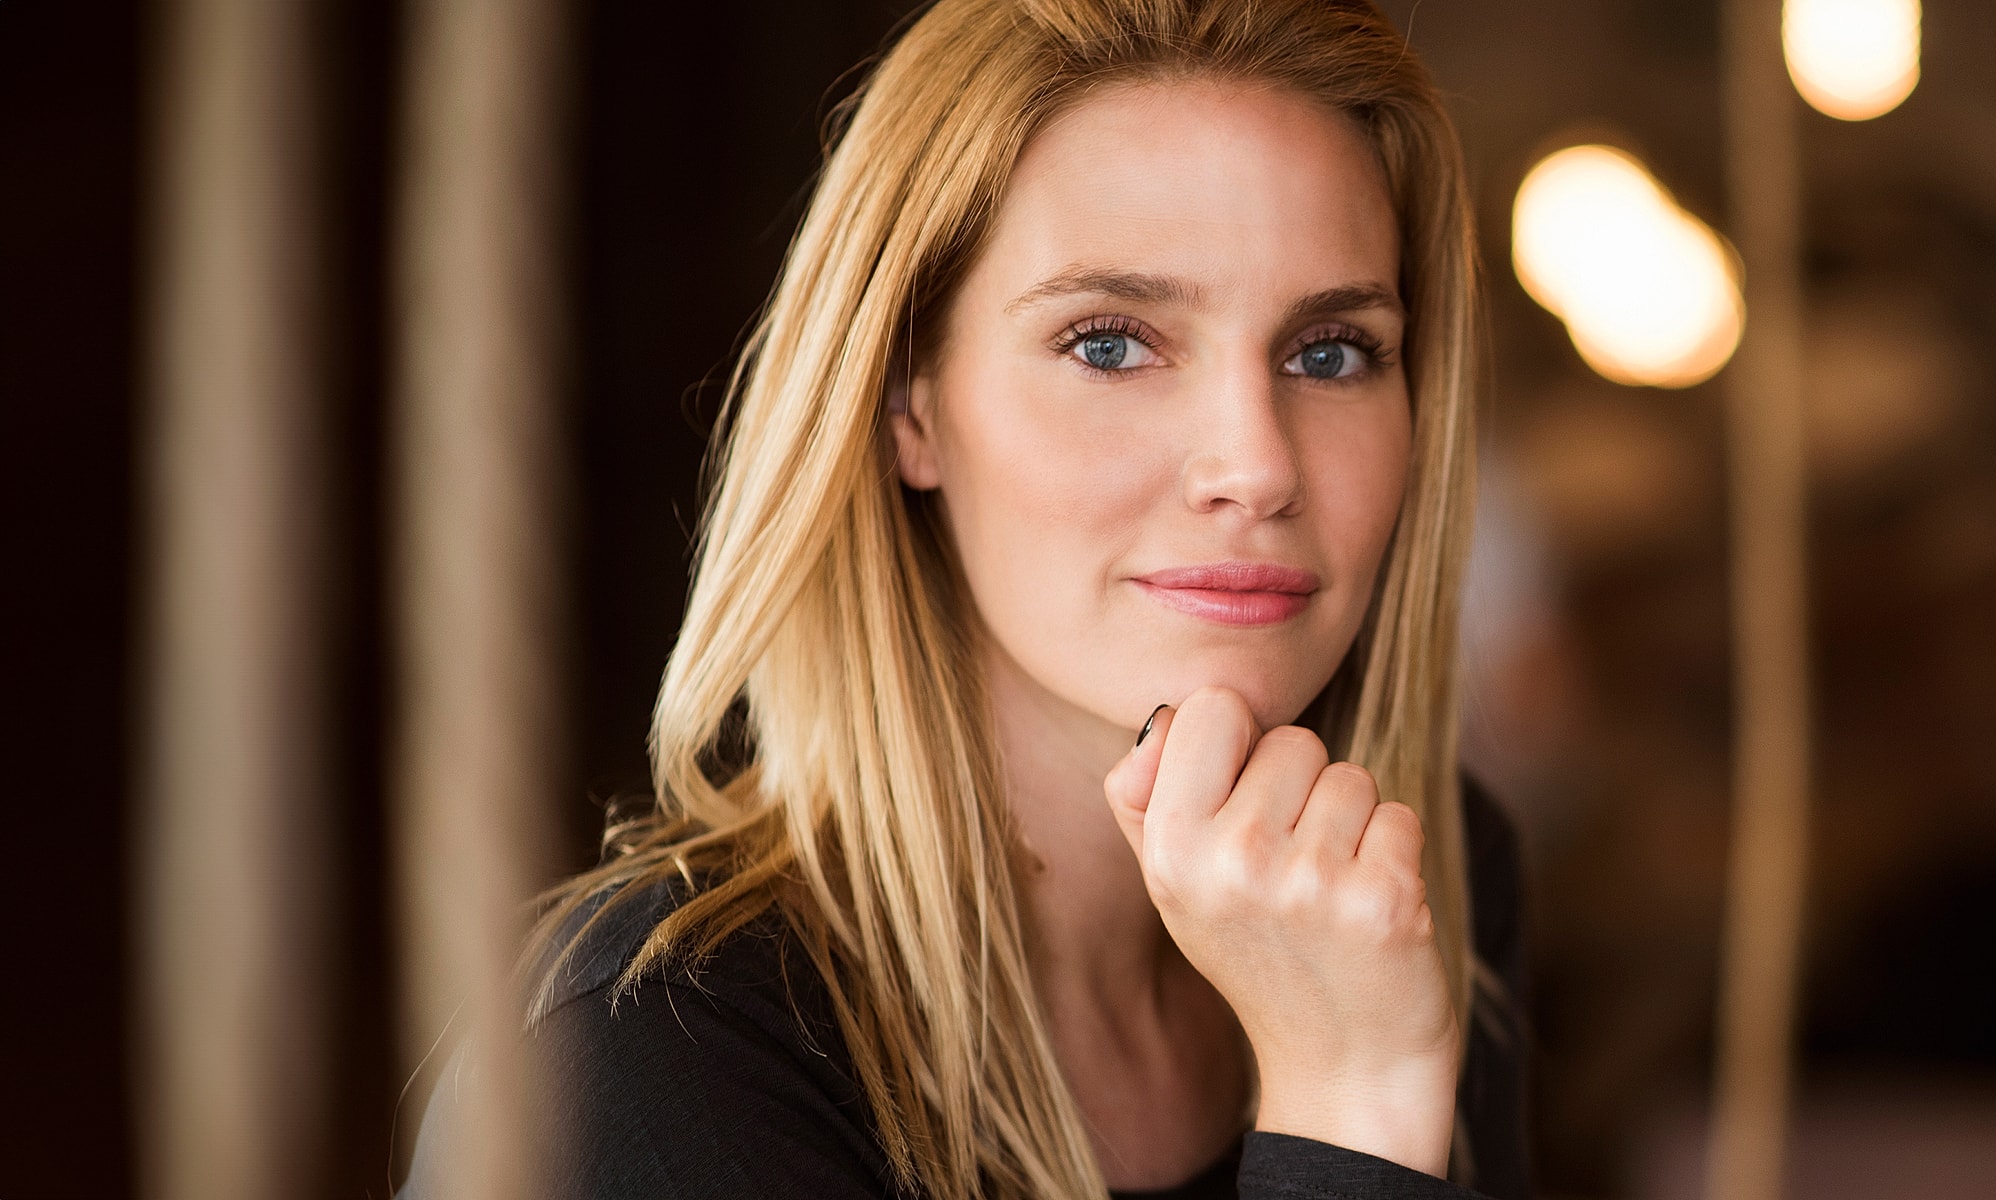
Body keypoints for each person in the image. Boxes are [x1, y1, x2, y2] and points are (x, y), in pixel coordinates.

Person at [398, 1, 1527, 1196]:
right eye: (1109, 344)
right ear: (907, 406)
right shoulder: (647, 1063)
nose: (1255, 465)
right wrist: (1350, 1101)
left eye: (1331, 352)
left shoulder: (1408, 887)